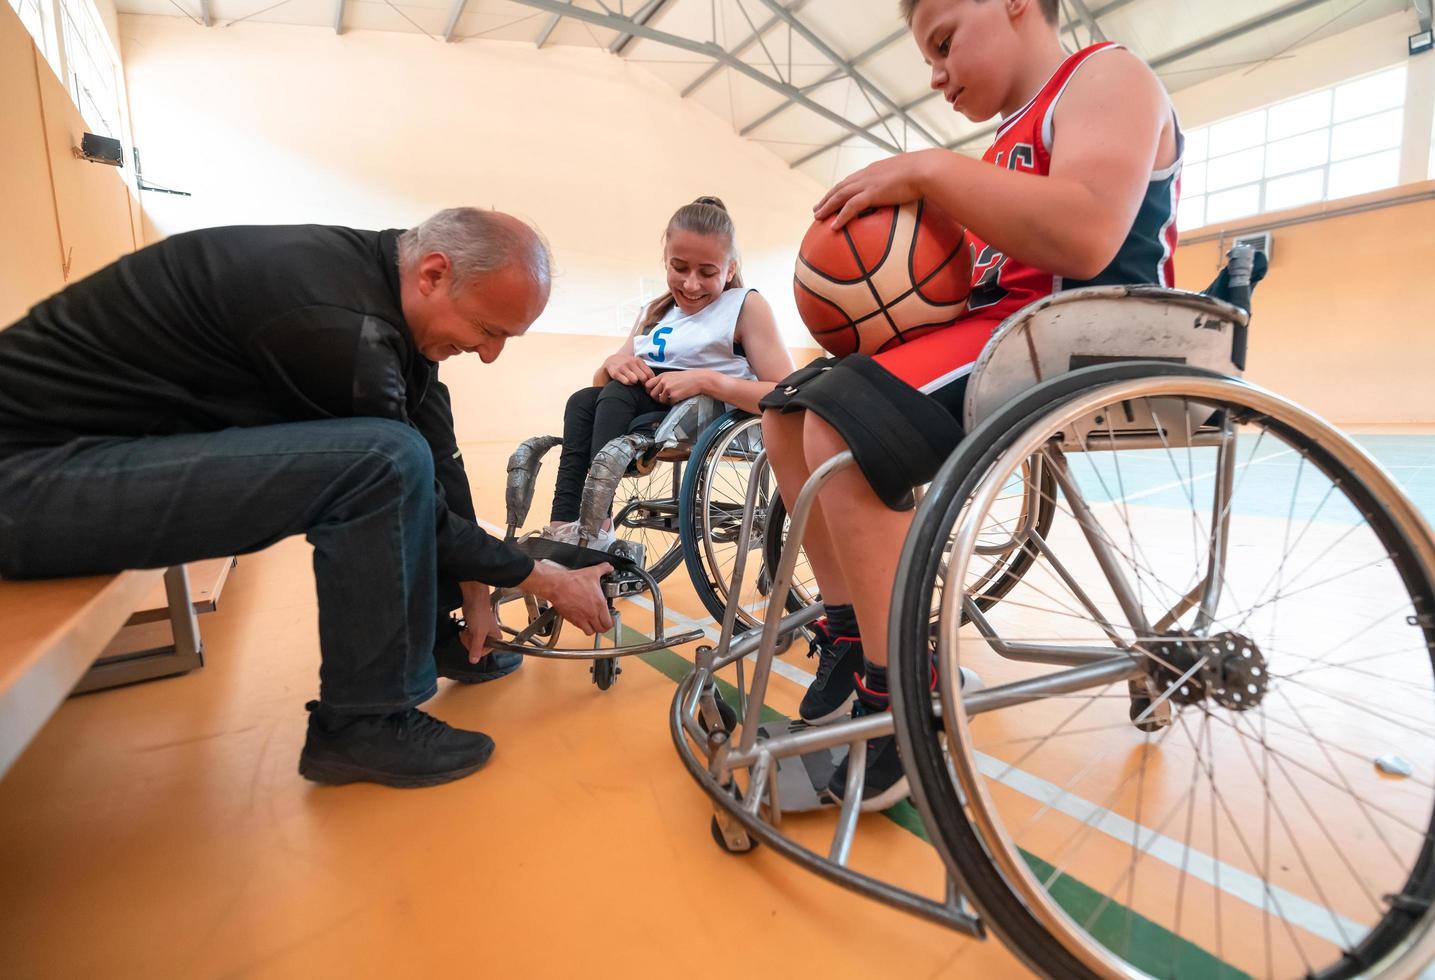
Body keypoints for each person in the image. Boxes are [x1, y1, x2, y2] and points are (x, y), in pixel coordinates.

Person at [0, 208, 614, 789]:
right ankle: (365, 721)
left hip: (85, 460)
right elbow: (406, 489)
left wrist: (478, 589)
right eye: (486, 330)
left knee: (403, 454)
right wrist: (545, 578)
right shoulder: (334, 323)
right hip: (30, 482)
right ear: (433, 274)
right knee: (381, 462)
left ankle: (428, 638)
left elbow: (438, 449)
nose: (489, 354)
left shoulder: (379, 289)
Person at [760, 0, 1183, 809]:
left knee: (844, 426)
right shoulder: (1002, 145)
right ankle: (855, 636)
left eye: (945, 42)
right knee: (788, 407)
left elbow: (1091, 232)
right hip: (1010, 340)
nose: (936, 73)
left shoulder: (1106, 76)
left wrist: (930, 171)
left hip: (1085, 338)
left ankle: (900, 704)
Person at [536, 196, 793, 548]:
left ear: (730, 269)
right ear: (665, 260)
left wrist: (706, 380)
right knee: (582, 400)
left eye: (707, 273)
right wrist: (611, 363)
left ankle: (598, 524)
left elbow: (781, 393)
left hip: (697, 411)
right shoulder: (655, 310)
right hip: (638, 403)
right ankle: (564, 522)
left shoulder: (745, 305)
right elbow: (602, 384)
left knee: (616, 395)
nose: (690, 284)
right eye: (679, 268)